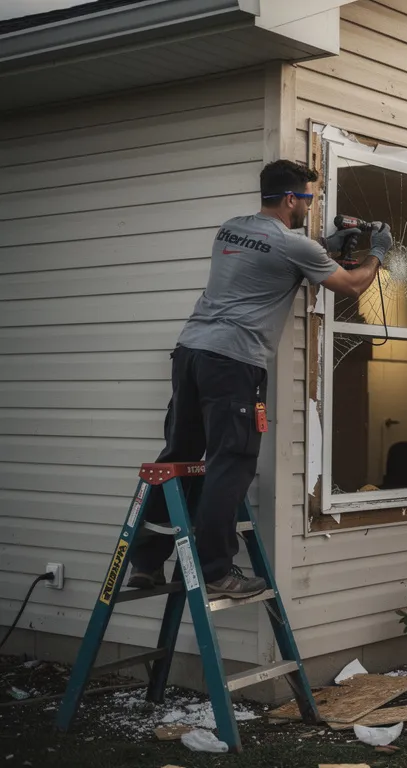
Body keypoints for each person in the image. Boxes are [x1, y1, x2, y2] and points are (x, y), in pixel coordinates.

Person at [126, 159, 391, 598]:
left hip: (191, 352)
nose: (309, 206)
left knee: (178, 456)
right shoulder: (296, 247)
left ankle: (146, 562)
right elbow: (351, 286)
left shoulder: (231, 229)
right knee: (231, 462)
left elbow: (270, 257)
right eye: (308, 199)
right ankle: (214, 570)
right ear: (291, 199)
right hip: (234, 362)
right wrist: (377, 249)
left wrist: (324, 245)